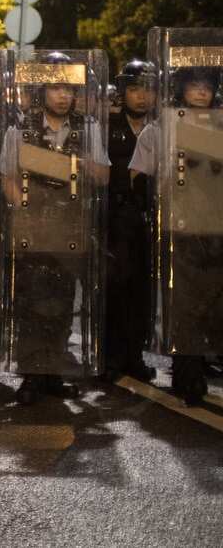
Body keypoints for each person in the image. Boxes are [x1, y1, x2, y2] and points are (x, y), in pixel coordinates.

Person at [0, 51, 110, 405]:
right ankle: (31, 374)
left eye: (69, 89)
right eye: (56, 88)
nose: (63, 95)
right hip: (31, 231)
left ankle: (54, 371)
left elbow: (103, 176)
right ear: (42, 91)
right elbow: (7, 179)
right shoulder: (20, 128)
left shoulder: (88, 128)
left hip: (70, 230)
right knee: (29, 302)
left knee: (62, 303)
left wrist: (74, 166)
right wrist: (24, 211)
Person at [129, 63, 220, 405]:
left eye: (207, 86)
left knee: (213, 303)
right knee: (185, 304)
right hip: (179, 228)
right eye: (193, 85)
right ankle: (187, 372)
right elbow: (138, 176)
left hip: (217, 226)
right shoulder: (162, 127)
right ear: (181, 89)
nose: (200, 92)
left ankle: (202, 364)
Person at [104, 60, 156, 382]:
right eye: (134, 89)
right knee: (114, 287)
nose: (140, 96)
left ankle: (135, 355)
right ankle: (111, 357)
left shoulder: (165, 126)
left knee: (142, 289)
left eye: (146, 89)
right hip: (115, 216)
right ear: (123, 92)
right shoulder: (107, 126)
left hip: (151, 215)